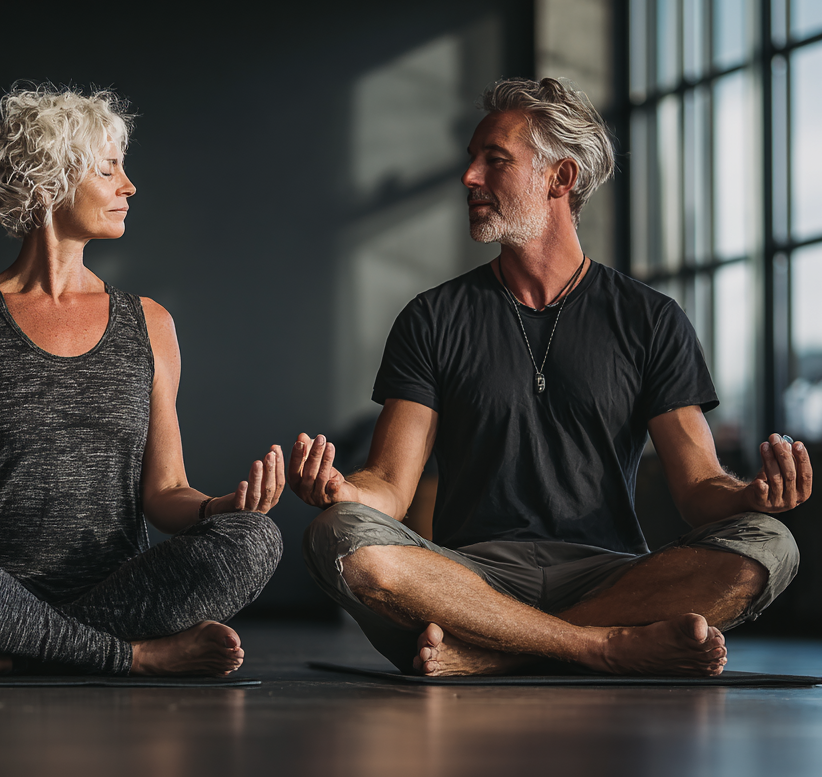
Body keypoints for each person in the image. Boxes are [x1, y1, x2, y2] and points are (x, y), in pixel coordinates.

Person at [291, 77, 811, 677]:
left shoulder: (649, 319)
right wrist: (345, 492)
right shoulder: (432, 317)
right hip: (467, 579)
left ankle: (492, 652)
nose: (470, 179)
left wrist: (749, 497)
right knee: (336, 534)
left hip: (610, 572)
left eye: (495, 161)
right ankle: (600, 648)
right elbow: (390, 485)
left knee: (770, 547)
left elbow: (698, 491)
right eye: (471, 161)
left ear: (560, 179)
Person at [0, 85, 284, 678]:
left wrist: (219, 508)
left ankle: (5, 659)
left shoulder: (149, 322)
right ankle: (129, 657)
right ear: (48, 182)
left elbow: (166, 491)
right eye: (109, 170)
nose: (129, 186)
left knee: (254, 539)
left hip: (120, 593)